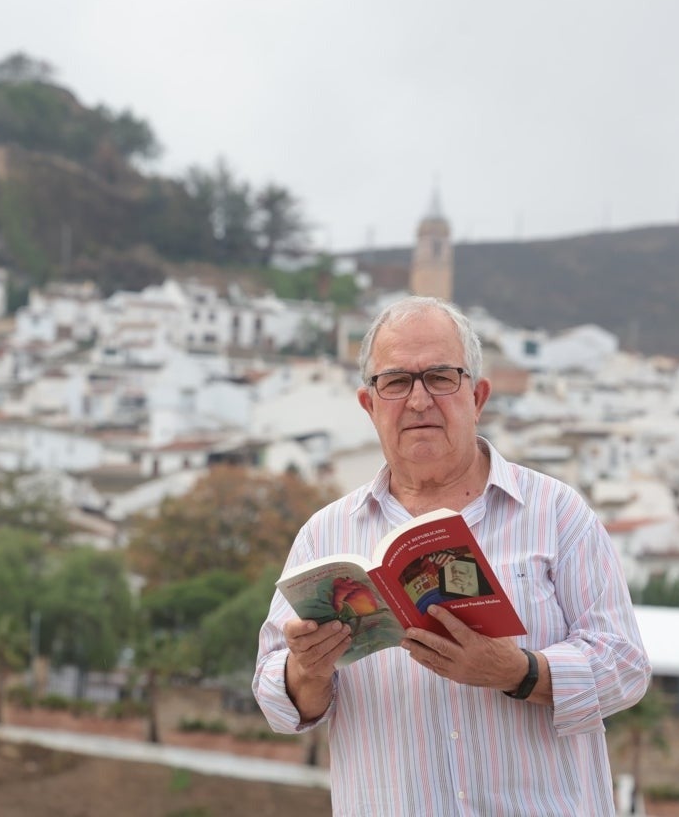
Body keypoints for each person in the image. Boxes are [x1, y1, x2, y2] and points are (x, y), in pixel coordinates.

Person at [253, 296, 651, 816]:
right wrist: (309, 669)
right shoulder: (324, 535)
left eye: (440, 377)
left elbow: (625, 666)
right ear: (369, 405)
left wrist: (521, 672)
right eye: (395, 382)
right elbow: (273, 696)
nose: (419, 400)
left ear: (478, 396)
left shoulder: (558, 514)